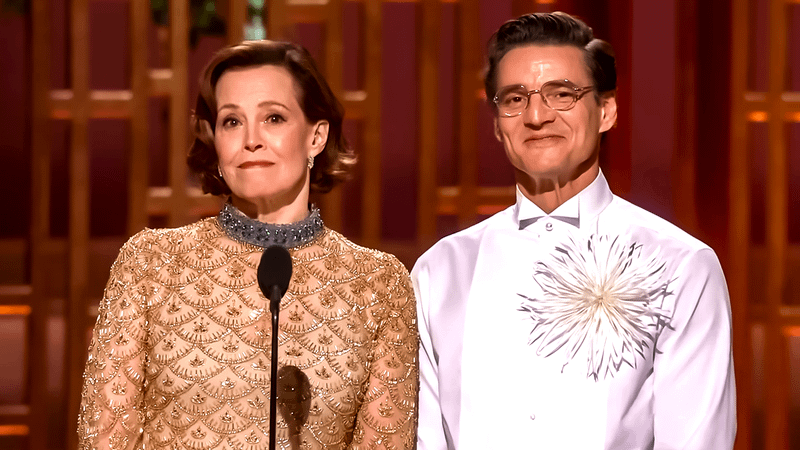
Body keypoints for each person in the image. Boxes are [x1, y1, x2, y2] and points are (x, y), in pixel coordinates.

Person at [412, 12, 735, 450]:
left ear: (606, 111)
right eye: (514, 99)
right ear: (497, 124)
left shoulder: (680, 266)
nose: (536, 115)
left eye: (561, 94)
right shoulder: (439, 272)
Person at [77, 40, 419, 450]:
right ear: (216, 143)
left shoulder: (379, 285)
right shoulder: (150, 264)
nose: (250, 139)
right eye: (232, 122)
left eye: (273, 118)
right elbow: (104, 440)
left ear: (317, 136)